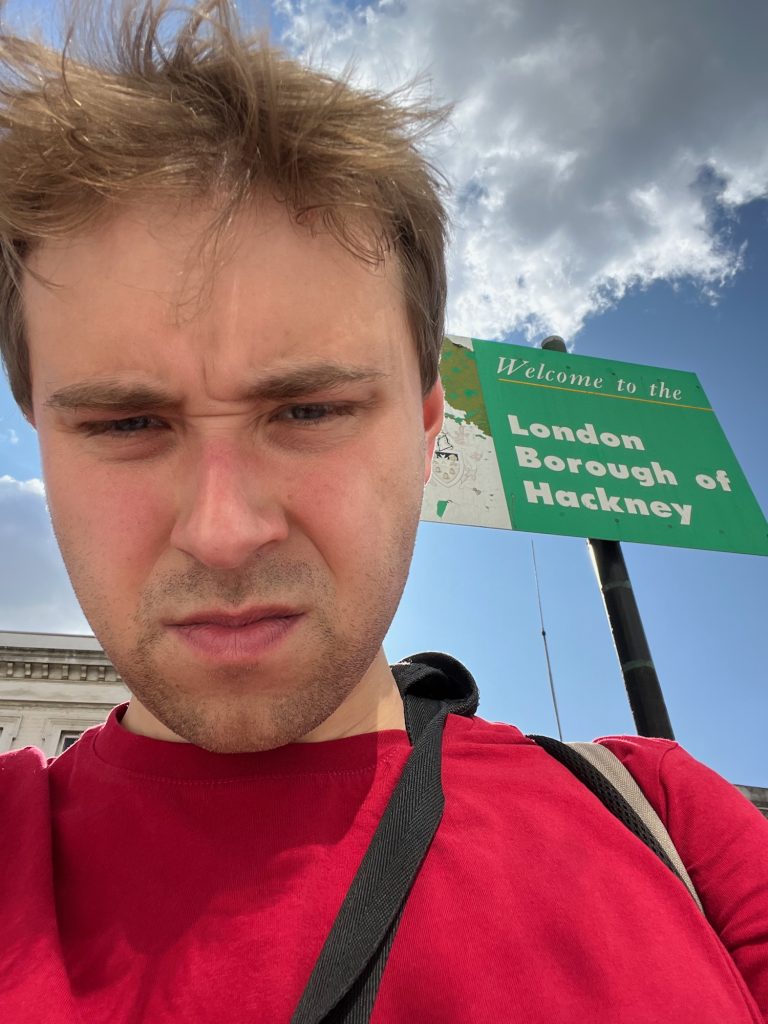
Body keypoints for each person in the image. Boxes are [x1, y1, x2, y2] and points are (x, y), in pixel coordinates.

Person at [0, 2, 766, 1022]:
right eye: (127, 423)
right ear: (40, 438)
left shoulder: (673, 826)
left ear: (427, 429)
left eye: (309, 410)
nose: (223, 532)